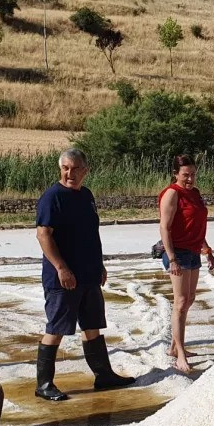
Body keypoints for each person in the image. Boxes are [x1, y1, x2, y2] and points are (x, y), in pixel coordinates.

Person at [33, 148, 135, 402]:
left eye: (75, 168)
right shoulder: (52, 197)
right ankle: (43, 384)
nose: (70, 173)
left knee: (92, 326)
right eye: (66, 168)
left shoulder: (86, 196)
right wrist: (61, 268)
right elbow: (43, 235)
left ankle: (103, 375)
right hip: (64, 278)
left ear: (85, 171)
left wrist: (99, 265)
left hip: (88, 275)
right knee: (56, 328)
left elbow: (91, 234)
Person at [158, 154, 214, 374]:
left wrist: (207, 250)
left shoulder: (195, 193)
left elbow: (197, 225)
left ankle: (175, 346)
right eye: (185, 175)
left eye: (193, 174)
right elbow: (164, 227)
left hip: (193, 251)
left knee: (190, 299)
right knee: (181, 302)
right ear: (176, 174)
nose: (190, 179)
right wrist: (171, 258)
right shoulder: (172, 193)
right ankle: (180, 353)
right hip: (178, 252)